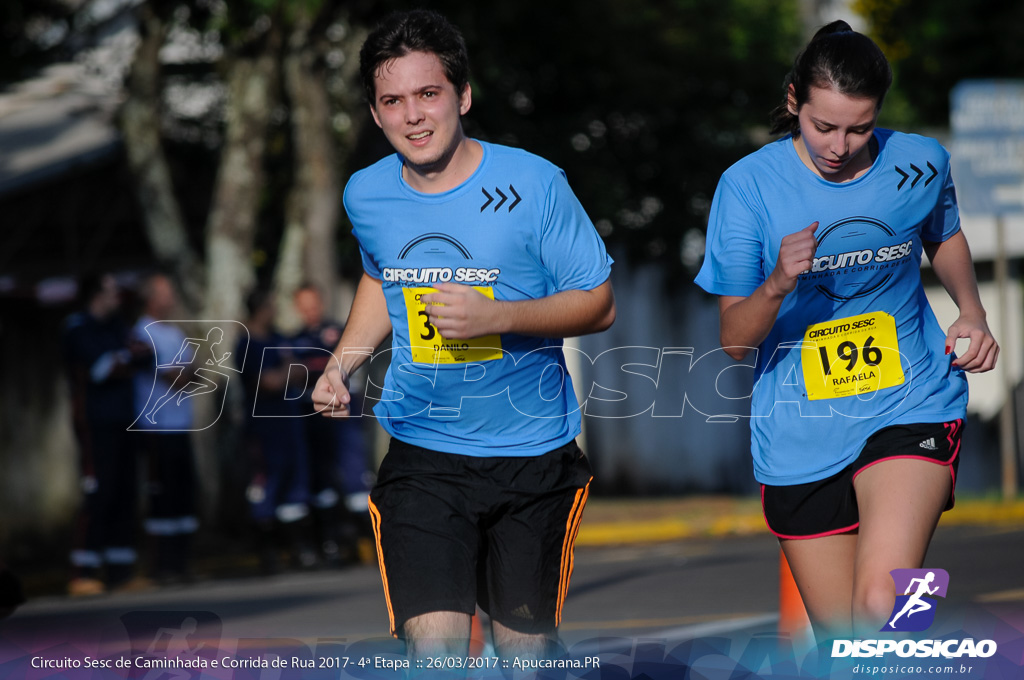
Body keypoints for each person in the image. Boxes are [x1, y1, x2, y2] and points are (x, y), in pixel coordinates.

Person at [311, 9, 615, 660]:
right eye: (393, 100)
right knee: (435, 656)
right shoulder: (366, 194)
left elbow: (598, 303)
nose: (413, 116)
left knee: (525, 659)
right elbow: (380, 279)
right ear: (374, 113)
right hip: (424, 454)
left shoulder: (534, 184)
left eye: (428, 94)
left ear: (463, 96)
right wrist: (343, 363)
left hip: (533, 455)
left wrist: (499, 317)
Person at [695, 20, 998, 641]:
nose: (840, 145)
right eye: (823, 126)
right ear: (793, 103)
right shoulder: (747, 188)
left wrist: (971, 310)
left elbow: (942, 232)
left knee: (883, 601)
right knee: (845, 648)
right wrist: (777, 282)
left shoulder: (919, 162)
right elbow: (733, 339)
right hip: (800, 430)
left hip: (910, 400)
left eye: (860, 128)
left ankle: (917, 645)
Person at [62, 273, 148, 594]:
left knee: (126, 492)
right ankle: (82, 571)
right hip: (94, 425)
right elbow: (100, 370)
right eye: (111, 292)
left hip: (125, 420)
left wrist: (123, 358)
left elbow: (144, 355)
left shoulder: (117, 326)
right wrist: (124, 358)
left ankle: (120, 571)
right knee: (99, 492)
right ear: (95, 295)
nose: (118, 298)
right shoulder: (78, 328)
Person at [236, 289, 316, 571]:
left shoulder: (280, 339)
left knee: (295, 485)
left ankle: (298, 549)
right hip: (263, 428)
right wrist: (286, 371)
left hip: (289, 425)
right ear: (260, 309)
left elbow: (300, 372)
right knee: (265, 486)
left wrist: (284, 372)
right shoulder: (247, 345)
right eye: (270, 305)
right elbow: (267, 382)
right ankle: (267, 553)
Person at [130, 274, 200, 583]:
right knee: (162, 499)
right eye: (166, 294)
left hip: (180, 427)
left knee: (184, 496)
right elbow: (178, 376)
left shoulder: (175, 333)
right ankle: (161, 566)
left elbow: (196, 372)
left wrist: (186, 371)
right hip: (156, 430)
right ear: (151, 298)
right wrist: (185, 371)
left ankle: (182, 563)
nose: (171, 300)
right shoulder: (141, 334)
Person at [290, 283, 365, 566]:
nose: (310, 311)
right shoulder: (294, 341)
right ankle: (331, 541)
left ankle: (366, 541)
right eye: (303, 305)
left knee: (355, 475)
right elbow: (293, 376)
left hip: (345, 416)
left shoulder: (341, 333)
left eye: (313, 304)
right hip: (314, 419)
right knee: (321, 479)